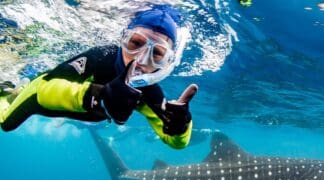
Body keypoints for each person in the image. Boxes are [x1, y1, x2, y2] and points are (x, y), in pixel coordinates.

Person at [0, 4, 196, 149]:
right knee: (6, 123)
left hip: (80, 110)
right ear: (122, 39)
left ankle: (14, 88)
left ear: (167, 61)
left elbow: (175, 143)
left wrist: (181, 127)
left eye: (157, 54)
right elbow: (43, 88)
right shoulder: (101, 57)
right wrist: (97, 96)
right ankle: (4, 92)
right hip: (37, 97)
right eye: (136, 43)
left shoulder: (148, 91)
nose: (142, 60)